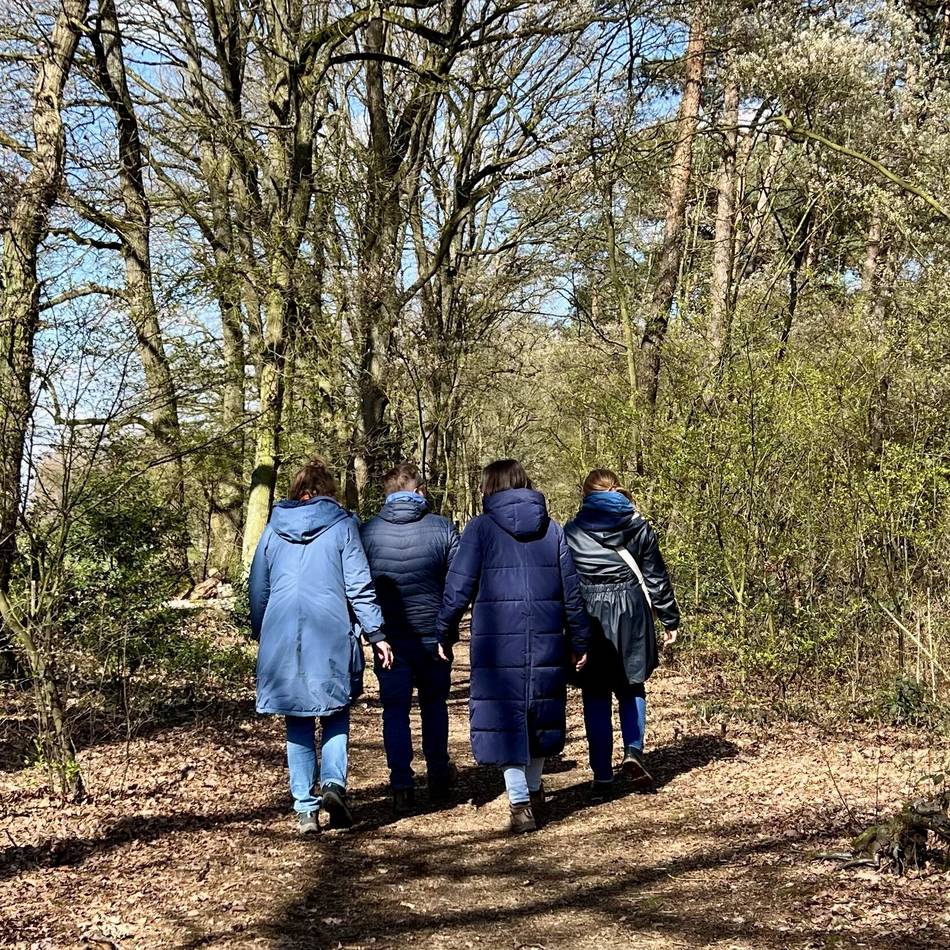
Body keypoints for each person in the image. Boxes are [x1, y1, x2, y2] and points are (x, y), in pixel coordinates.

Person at [436, 459, 589, 834]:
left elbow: (458, 587)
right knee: (540, 712)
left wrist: (444, 630)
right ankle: (532, 790)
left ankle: (521, 800)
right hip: (546, 635)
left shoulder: (481, 529)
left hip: (495, 641)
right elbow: (572, 592)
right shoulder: (551, 530)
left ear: (490, 487)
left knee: (506, 717)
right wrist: (579, 638)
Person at [249, 457, 392, 834]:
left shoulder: (271, 530)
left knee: (296, 717)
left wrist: (261, 629)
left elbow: (259, 588)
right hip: (330, 632)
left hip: (281, 634)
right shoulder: (343, 527)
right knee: (335, 710)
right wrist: (375, 633)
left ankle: (305, 809)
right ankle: (333, 784)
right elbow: (358, 585)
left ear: (297, 491)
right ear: (327, 492)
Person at [564, 468, 680, 800]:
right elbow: (655, 576)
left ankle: (601, 776)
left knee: (595, 692)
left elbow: (566, 583)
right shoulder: (638, 526)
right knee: (632, 684)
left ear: (586, 495)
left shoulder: (571, 531)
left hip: (590, 613)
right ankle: (633, 752)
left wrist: (568, 628)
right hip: (632, 610)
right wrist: (669, 620)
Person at [360, 462, 460, 814]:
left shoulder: (367, 532)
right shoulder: (443, 528)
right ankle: (437, 775)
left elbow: (358, 587)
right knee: (434, 706)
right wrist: (447, 629)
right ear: (418, 491)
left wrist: (372, 632)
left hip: (389, 639)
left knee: (395, 711)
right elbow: (459, 585)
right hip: (434, 636)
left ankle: (401, 783)